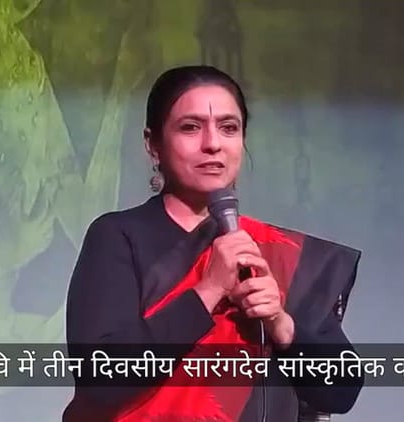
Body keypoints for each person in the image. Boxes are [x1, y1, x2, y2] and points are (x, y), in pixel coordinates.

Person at [63, 65, 363, 421]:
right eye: (190, 127)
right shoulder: (118, 237)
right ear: (153, 144)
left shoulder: (277, 253)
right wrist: (209, 290)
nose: (213, 144)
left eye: (228, 127)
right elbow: (99, 378)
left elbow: (341, 393)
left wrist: (282, 325)